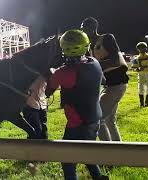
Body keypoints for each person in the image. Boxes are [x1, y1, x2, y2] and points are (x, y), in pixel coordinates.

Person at [45, 29, 108, 180]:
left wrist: (51, 73)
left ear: (63, 49)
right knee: (87, 153)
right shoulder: (95, 63)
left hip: (77, 124)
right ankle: (98, 177)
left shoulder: (62, 72)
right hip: (94, 118)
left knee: (67, 161)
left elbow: (48, 91)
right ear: (86, 46)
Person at [81, 17, 129, 142]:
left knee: (98, 119)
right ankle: (118, 150)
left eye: (85, 28)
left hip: (117, 84)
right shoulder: (89, 46)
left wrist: (95, 65)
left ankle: (108, 154)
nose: (83, 32)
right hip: (110, 85)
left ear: (93, 28)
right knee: (109, 120)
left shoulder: (106, 38)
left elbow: (115, 61)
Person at [22, 75, 48, 139]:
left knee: (44, 130)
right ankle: (32, 148)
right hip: (30, 105)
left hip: (42, 104)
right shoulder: (27, 73)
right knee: (36, 130)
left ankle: (45, 148)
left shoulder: (47, 73)